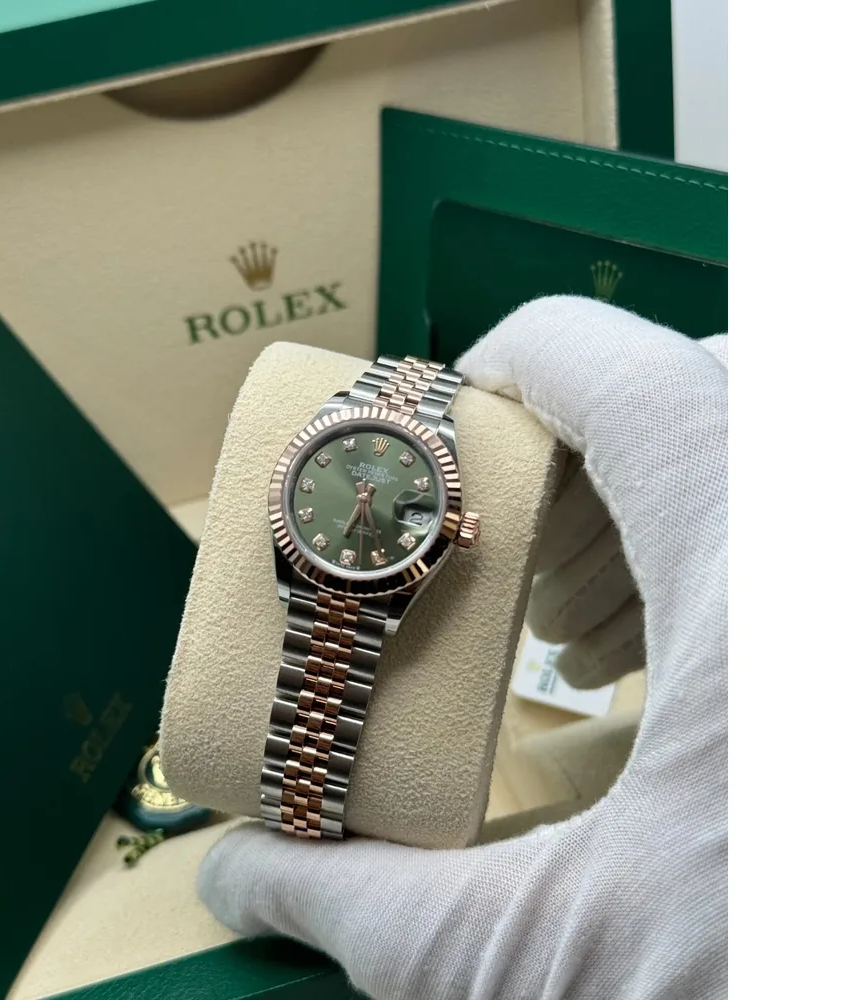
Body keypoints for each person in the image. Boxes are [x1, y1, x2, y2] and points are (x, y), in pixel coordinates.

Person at [197, 296, 728, 999]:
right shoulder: (321, 482)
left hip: (374, 584)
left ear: (454, 529)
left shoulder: (434, 529)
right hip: (315, 569)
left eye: (376, 499)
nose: (364, 501)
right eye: (356, 494)